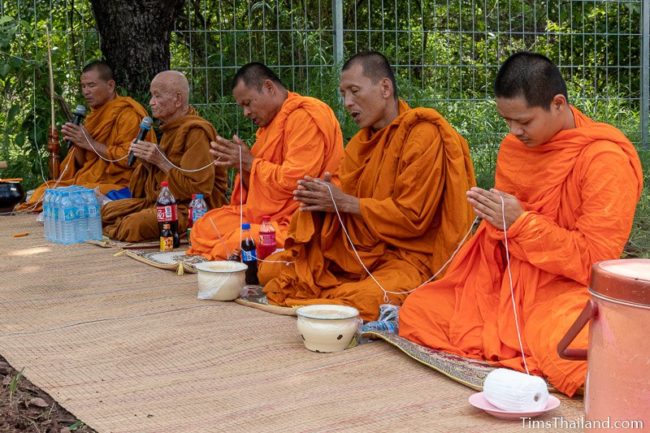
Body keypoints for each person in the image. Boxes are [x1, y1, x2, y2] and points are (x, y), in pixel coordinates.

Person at [398, 52, 643, 397]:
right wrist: (496, 221)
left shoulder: (605, 160)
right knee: (419, 311)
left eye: (524, 121)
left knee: (572, 348)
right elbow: (501, 236)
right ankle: (513, 335)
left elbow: (597, 259)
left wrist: (521, 223)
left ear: (558, 104)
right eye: (507, 121)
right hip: (507, 282)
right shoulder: (514, 148)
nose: (515, 131)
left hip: (564, 289)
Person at [258, 52, 476, 321]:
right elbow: (349, 216)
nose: (348, 103)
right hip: (360, 254)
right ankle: (343, 286)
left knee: (361, 301)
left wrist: (344, 203)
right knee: (269, 270)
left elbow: (413, 218)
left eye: (355, 91)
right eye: (343, 93)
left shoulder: (422, 135)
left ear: (385, 88)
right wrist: (321, 205)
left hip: (410, 258)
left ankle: (360, 294)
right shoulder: (361, 144)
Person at [187, 63, 344, 260]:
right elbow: (256, 193)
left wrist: (250, 163)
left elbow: (297, 182)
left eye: (247, 103)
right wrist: (242, 167)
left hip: (301, 220)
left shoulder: (305, 116)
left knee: (238, 241)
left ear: (269, 87)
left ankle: (265, 253)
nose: (245, 113)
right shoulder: (271, 126)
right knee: (204, 227)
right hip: (268, 217)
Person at [101, 70, 228, 242]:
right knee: (106, 212)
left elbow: (199, 190)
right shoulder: (171, 129)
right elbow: (142, 191)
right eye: (151, 96)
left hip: (190, 209)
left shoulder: (196, 132)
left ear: (178, 99)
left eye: (157, 96)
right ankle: (118, 225)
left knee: (134, 225)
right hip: (163, 202)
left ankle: (119, 228)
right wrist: (147, 163)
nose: (151, 102)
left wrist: (160, 161)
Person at [16, 61, 153, 212]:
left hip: (120, 183)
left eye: (92, 85)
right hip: (91, 180)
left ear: (110, 85)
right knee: (45, 192)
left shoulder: (128, 114)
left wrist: (89, 143)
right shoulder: (93, 116)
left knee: (65, 200)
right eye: (83, 86)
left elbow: (129, 159)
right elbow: (86, 162)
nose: (86, 91)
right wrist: (78, 143)